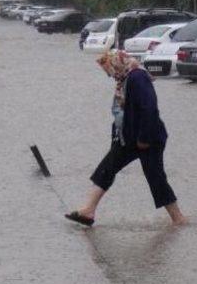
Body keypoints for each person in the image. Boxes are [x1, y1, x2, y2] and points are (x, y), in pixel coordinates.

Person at [65, 51, 186, 227]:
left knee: (155, 177)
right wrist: (116, 137)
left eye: (109, 69)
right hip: (127, 138)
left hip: (149, 138)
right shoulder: (124, 80)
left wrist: (144, 138)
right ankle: (89, 210)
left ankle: (178, 219)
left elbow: (149, 108)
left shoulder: (137, 78)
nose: (109, 74)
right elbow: (122, 114)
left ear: (117, 63)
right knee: (106, 168)